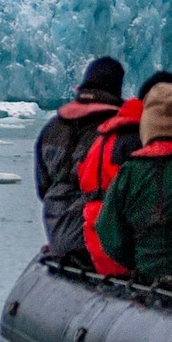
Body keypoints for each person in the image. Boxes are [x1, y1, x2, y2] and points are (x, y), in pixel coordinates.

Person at [80, 72, 172, 277]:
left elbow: (106, 229)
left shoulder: (130, 170)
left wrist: (134, 260)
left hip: (143, 271)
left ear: (147, 122)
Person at [34, 57, 124, 262]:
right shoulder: (117, 131)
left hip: (56, 232)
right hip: (97, 243)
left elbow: (43, 188)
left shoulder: (51, 128)